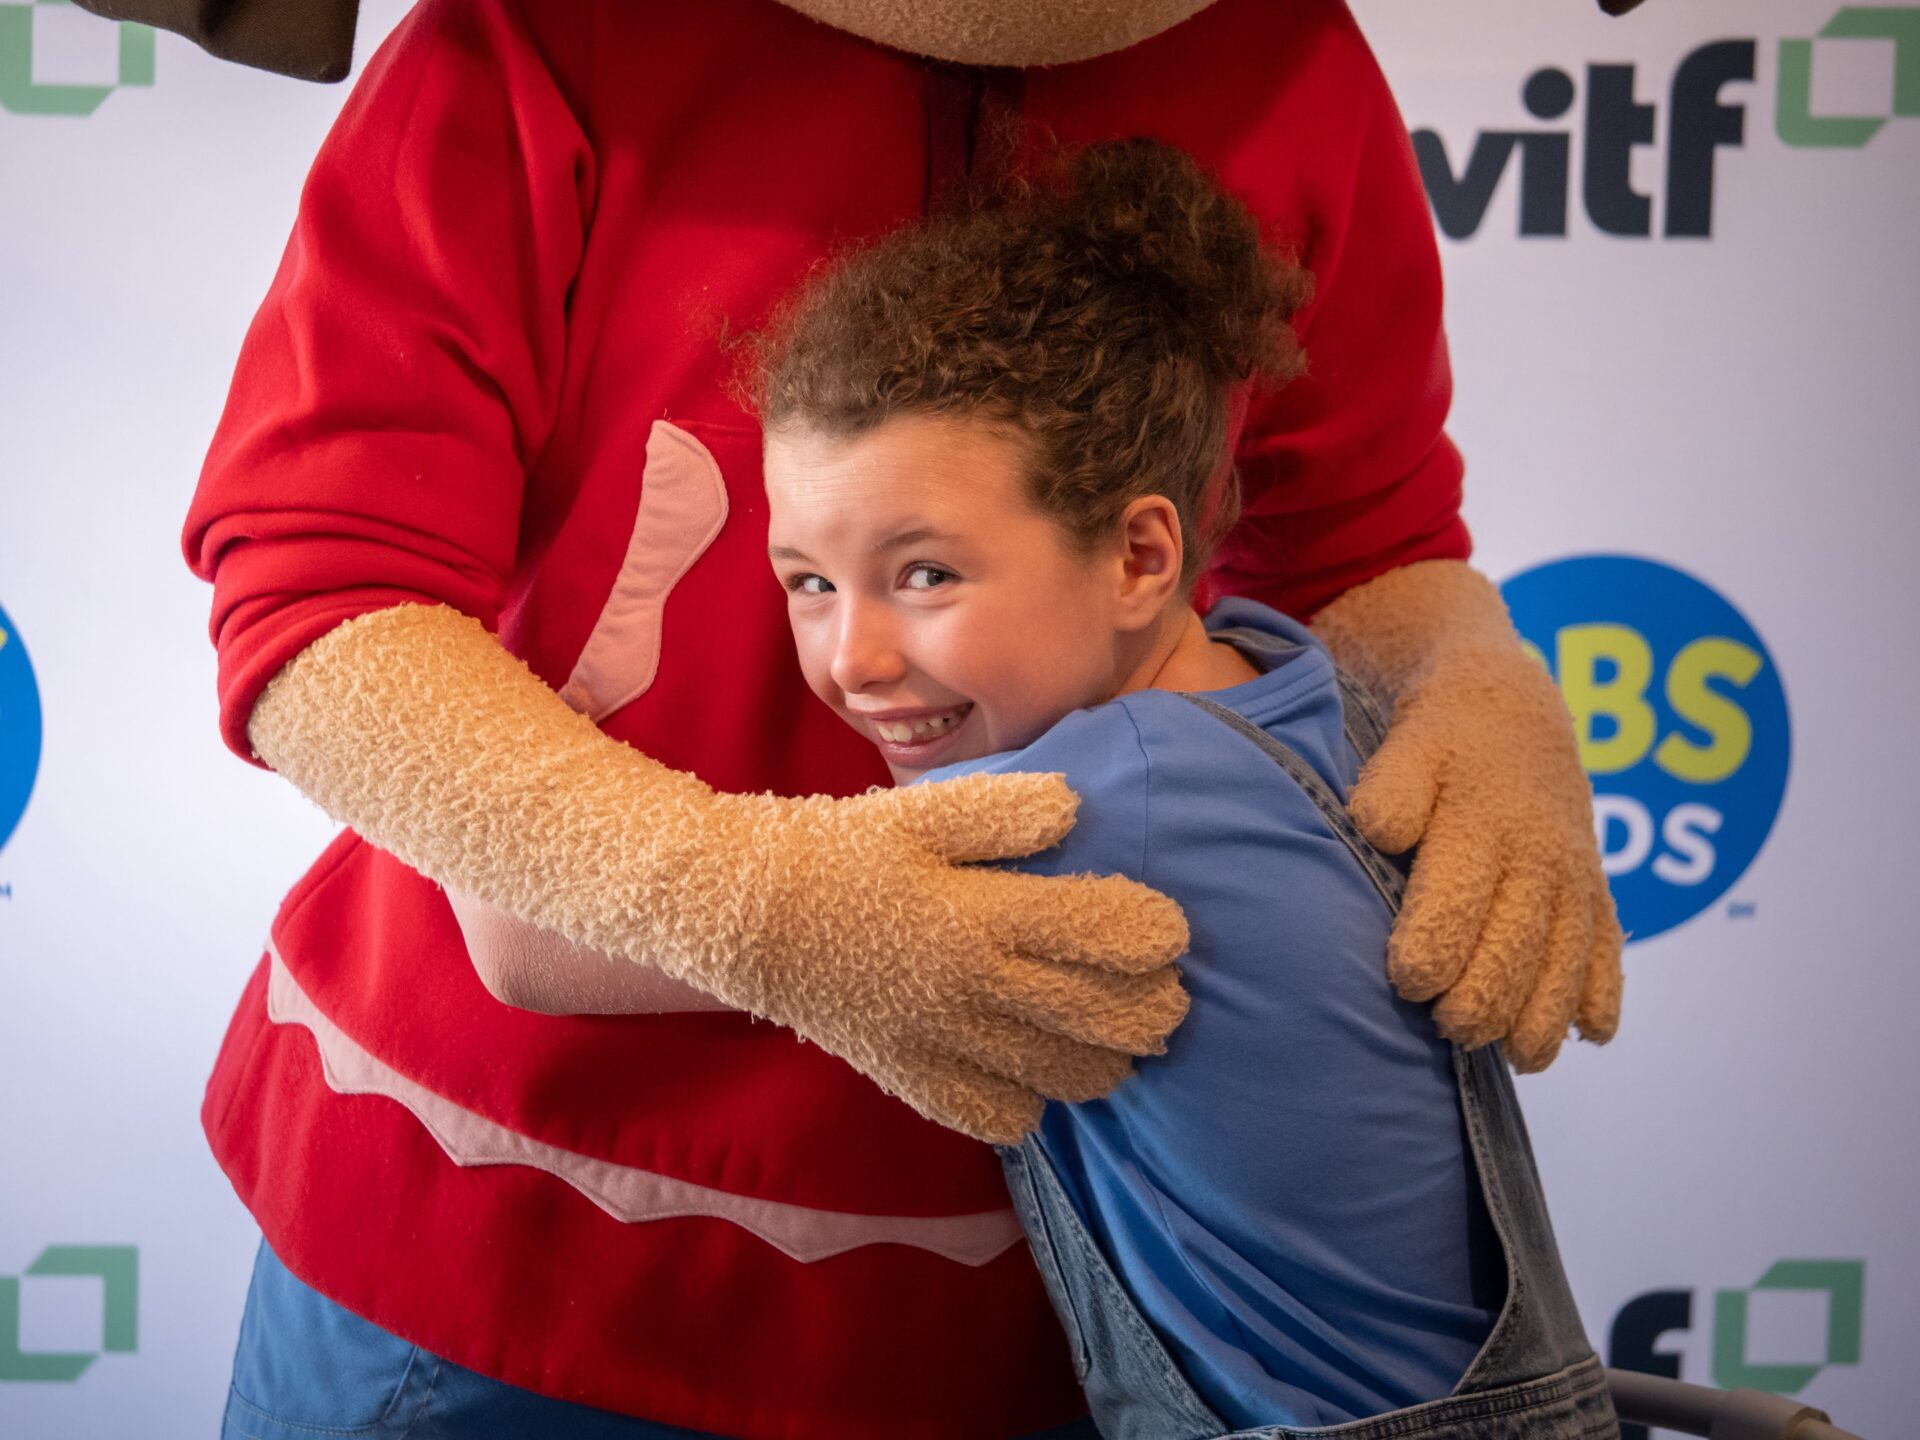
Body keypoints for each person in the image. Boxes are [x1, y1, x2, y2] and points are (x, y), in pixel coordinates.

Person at [179, 2, 1621, 1435]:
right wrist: (744, 898)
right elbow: (324, 586)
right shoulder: (544, 34)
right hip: (503, 1221)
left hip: (1061, 1279)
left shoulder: (1284, 52)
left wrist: (1465, 688)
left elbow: (1357, 538)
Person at [751, 139, 1616, 1438]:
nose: (854, 658)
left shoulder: (1112, 803)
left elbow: (561, 946)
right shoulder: (1287, 682)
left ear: (1141, 556)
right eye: (809, 581)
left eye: (925, 574)